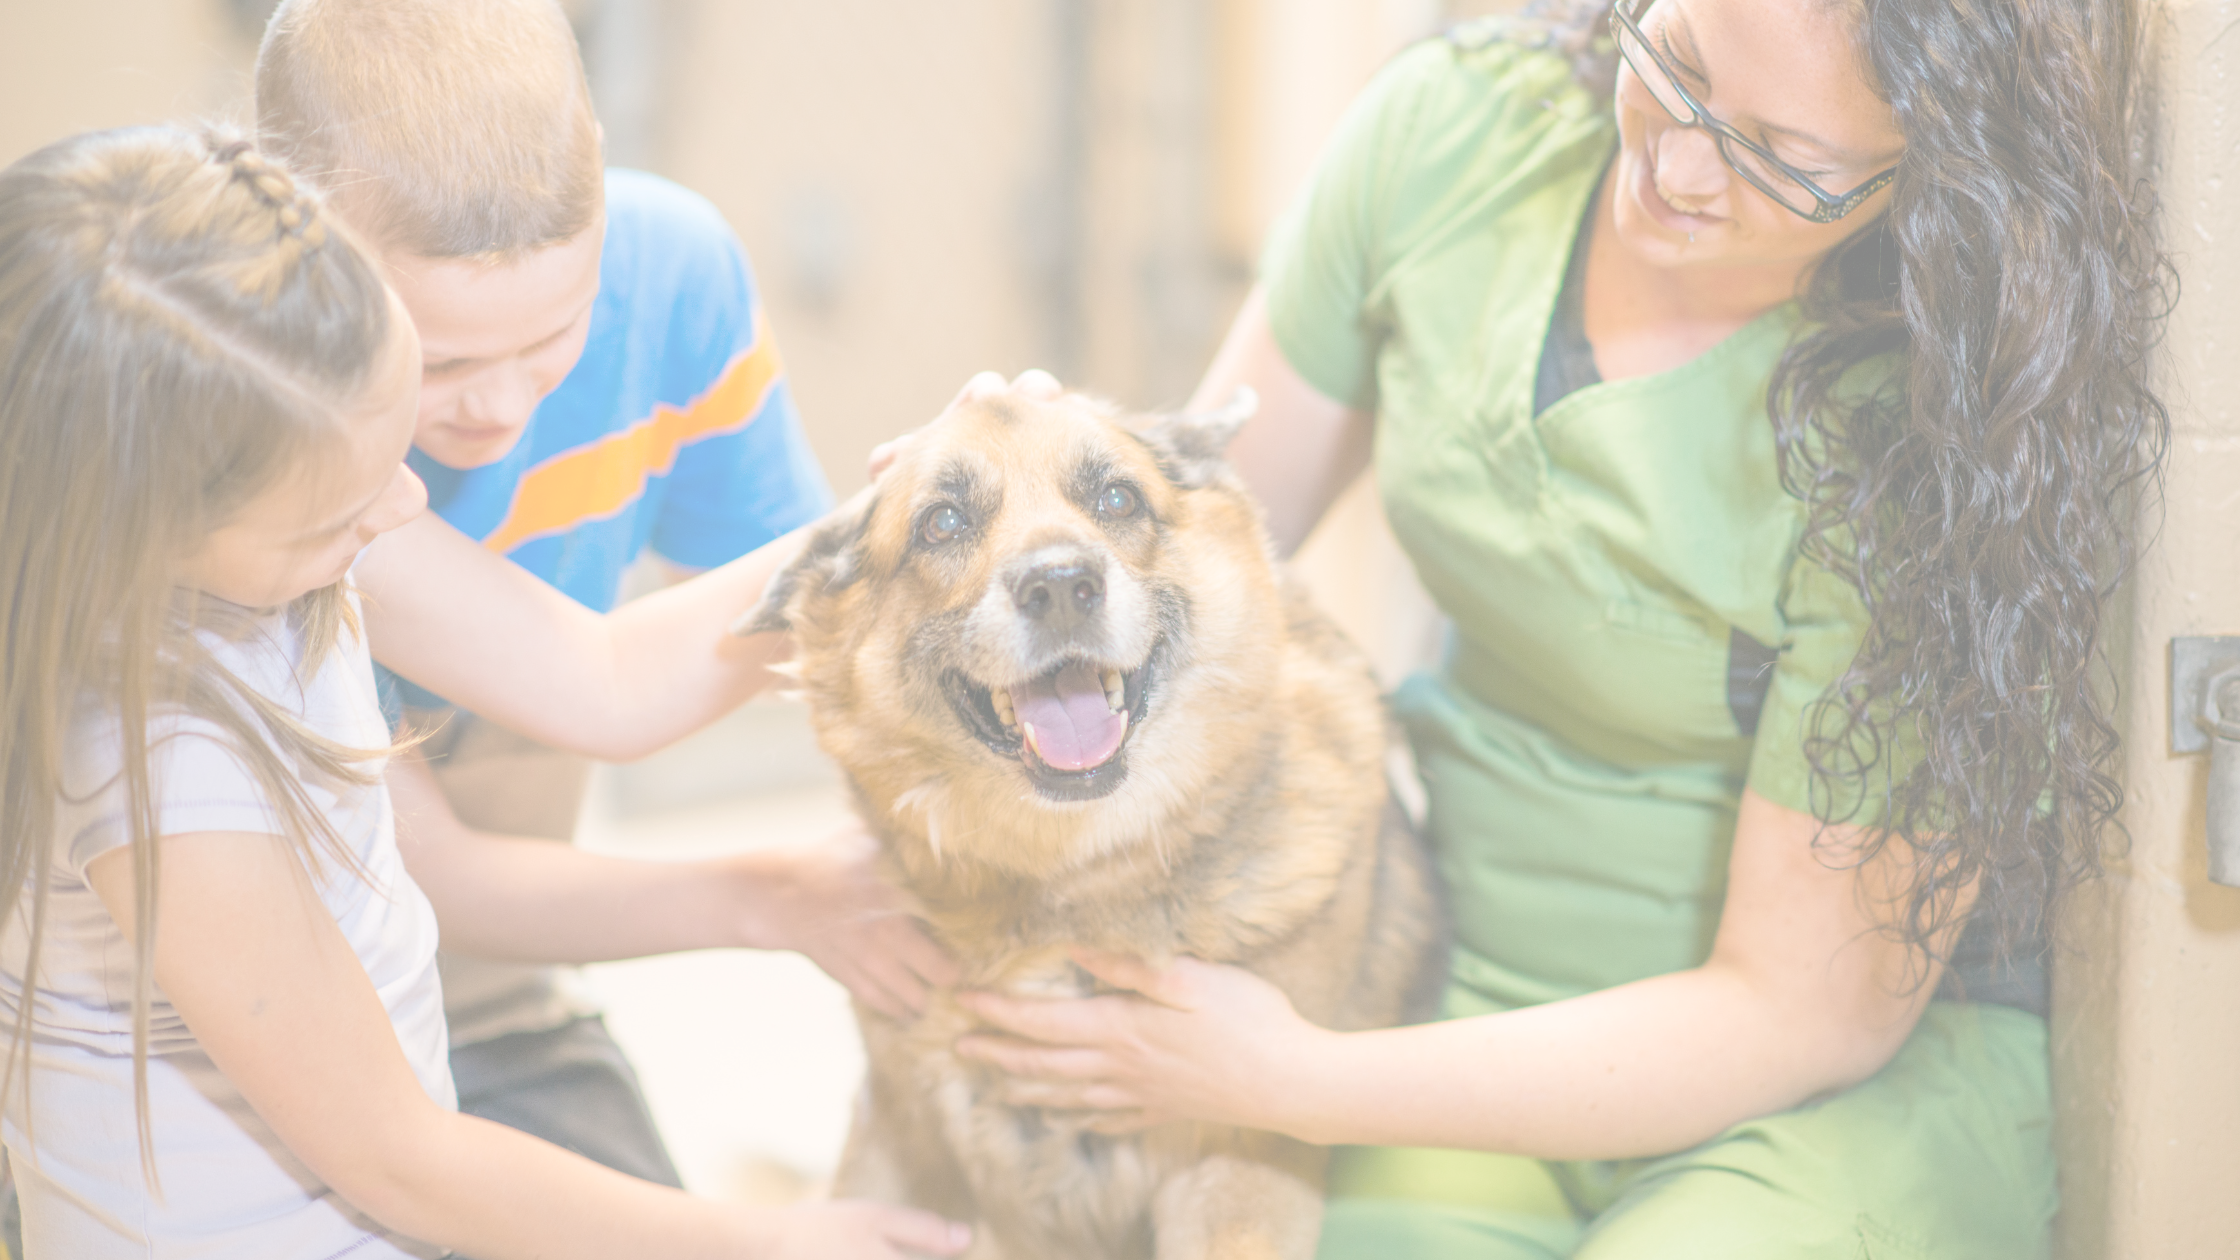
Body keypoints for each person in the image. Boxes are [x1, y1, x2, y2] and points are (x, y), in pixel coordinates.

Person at [949, 0, 2168, 1254]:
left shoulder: (1925, 431)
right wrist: (1038, 493)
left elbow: (1800, 1016)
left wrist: (1285, 1076)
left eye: (1777, 157)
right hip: (1469, 987)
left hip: (1844, 1085)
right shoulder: (1456, 136)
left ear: (1929, 167)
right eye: (1676, 64)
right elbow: (1193, 553)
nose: (1679, 165)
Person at [0, 125, 970, 1260]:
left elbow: (606, 678)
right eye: (340, 511)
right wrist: (766, 1241)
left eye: (392, 449)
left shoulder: (294, 540)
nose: (406, 507)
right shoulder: (155, 764)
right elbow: (402, 1158)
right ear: (148, 521)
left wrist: (907, 518)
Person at [252, 0, 954, 1191]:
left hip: (493, 1003)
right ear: (289, 263)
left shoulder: (670, 270)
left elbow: (810, 642)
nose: (503, 408)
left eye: (558, 336)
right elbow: (467, 850)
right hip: (253, 1009)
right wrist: (777, 894)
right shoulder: (253, 422)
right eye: (446, 358)